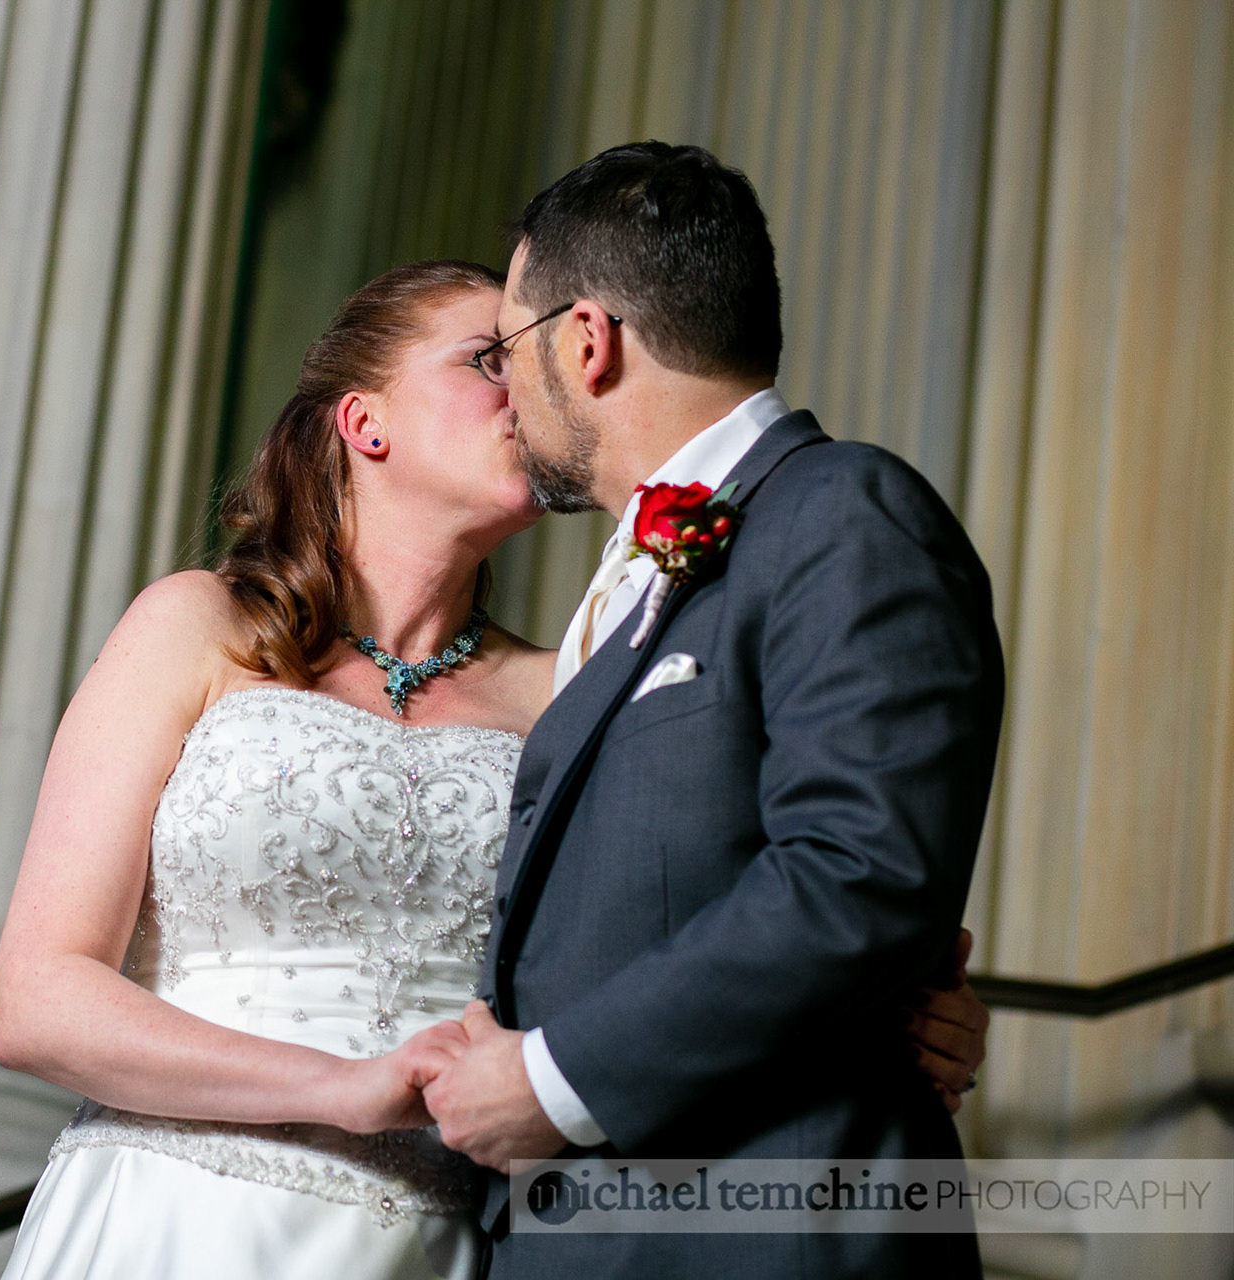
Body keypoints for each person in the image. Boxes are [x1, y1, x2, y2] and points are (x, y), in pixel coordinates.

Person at [0, 251, 990, 1278]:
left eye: (528, 355)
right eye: (486, 359)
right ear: (364, 421)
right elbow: (38, 998)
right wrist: (340, 1086)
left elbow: (704, 918)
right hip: (174, 1215)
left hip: (449, 1237)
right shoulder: (195, 627)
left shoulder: (579, 688)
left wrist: (888, 1010)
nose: (526, 387)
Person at [421, 142, 1004, 1277]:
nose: (506, 391)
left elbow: (860, 871)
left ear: (585, 342)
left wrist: (552, 1082)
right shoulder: (626, 581)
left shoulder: (842, 511)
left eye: (507, 348)